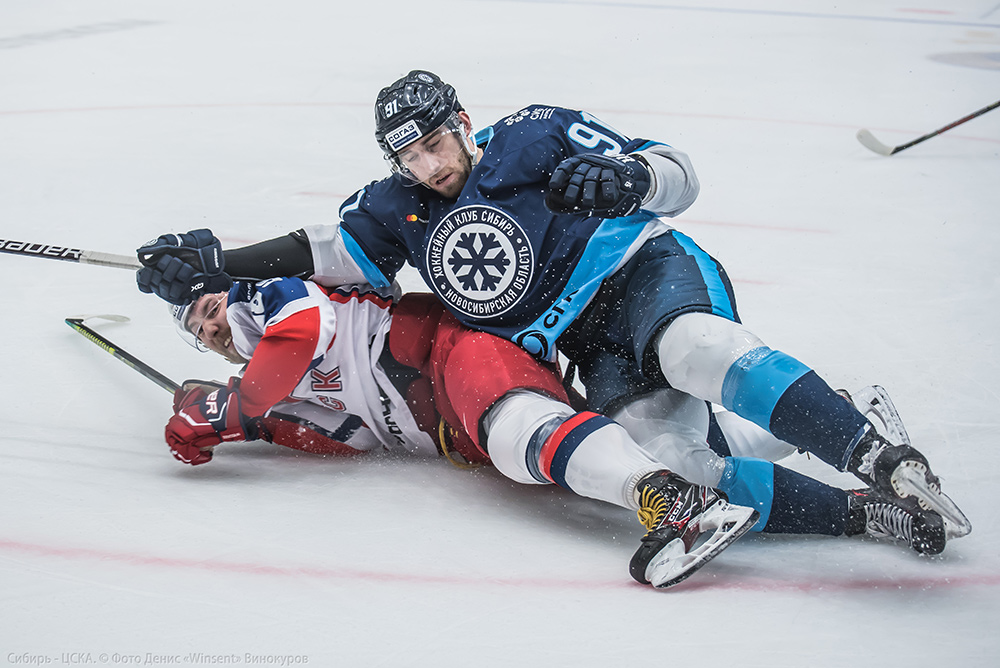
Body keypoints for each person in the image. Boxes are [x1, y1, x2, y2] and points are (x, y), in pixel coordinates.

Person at [136, 70, 970, 543]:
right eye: (409, 156)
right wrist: (218, 262)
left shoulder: (535, 132)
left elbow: (676, 170)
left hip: (644, 278)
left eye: (433, 143)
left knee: (693, 350)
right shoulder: (395, 208)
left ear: (461, 123)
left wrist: (632, 180)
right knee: (687, 469)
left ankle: (876, 453)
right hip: (584, 344)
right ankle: (868, 511)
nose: (427, 166)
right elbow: (323, 251)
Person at [164, 277, 949, 593]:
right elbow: (347, 438)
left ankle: (665, 502)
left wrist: (228, 411)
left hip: (456, 357)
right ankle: (863, 501)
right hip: (452, 431)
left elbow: (295, 337)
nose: (212, 324)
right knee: (689, 464)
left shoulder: (269, 299)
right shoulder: (272, 395)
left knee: (520, 434)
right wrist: (235, 429)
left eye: (207, 308)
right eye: (200, 329)